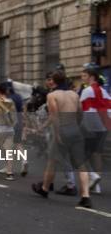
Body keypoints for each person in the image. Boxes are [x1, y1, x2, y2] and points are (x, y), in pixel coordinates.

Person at [32, 71, 92, 208]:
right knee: (81, 164)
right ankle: (85, 197)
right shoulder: (74, 94)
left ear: (54, 81)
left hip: (61, 130)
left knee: (52, 161)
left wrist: (58, 134)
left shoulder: (52, 95)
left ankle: (45, 189)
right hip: (75, 130)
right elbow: (80, 113)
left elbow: (54, 117)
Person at [79, 66, 110, 195]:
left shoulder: (87, 91)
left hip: (91, 126)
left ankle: (92, 177)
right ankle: (96, 186)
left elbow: (81, 110)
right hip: (103, 127)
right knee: (97, 154)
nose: (82, 78)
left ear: (91, 77)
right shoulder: (104, 91)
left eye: (84, 76)